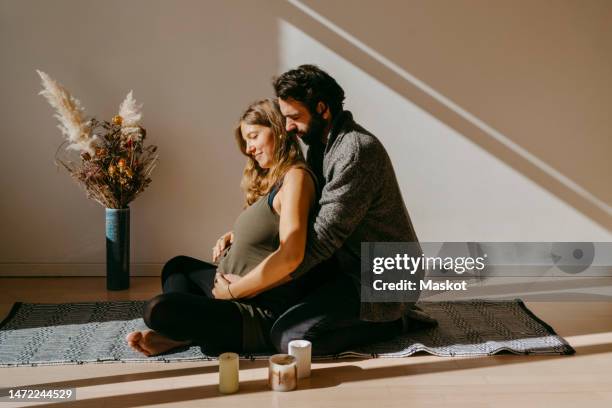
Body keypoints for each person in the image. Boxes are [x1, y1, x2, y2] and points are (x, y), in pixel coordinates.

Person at [212, 65, 434, 356]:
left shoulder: (355, 151)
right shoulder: (319, 146)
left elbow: (321, 241)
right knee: (275, 312)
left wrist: (243, 289)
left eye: (294, 117)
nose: (287, 127)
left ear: (322, 109)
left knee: (290, 340)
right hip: (343, 267)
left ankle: (397, 321)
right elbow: (304, 218)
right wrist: (240, 236)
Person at [126, 98, 322, 356]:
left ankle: (185, 333)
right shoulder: (274, 182)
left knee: (157, 309)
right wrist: (235, 236)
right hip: (227, 290)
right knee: (178, 267)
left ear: (277, 129)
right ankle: (184, 335)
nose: (249, 148)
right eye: (246, 141)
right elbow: (271, 228)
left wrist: (231, 291)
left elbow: (291, 254)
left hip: (252, 309)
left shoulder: (296, 177)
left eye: (253, 137)